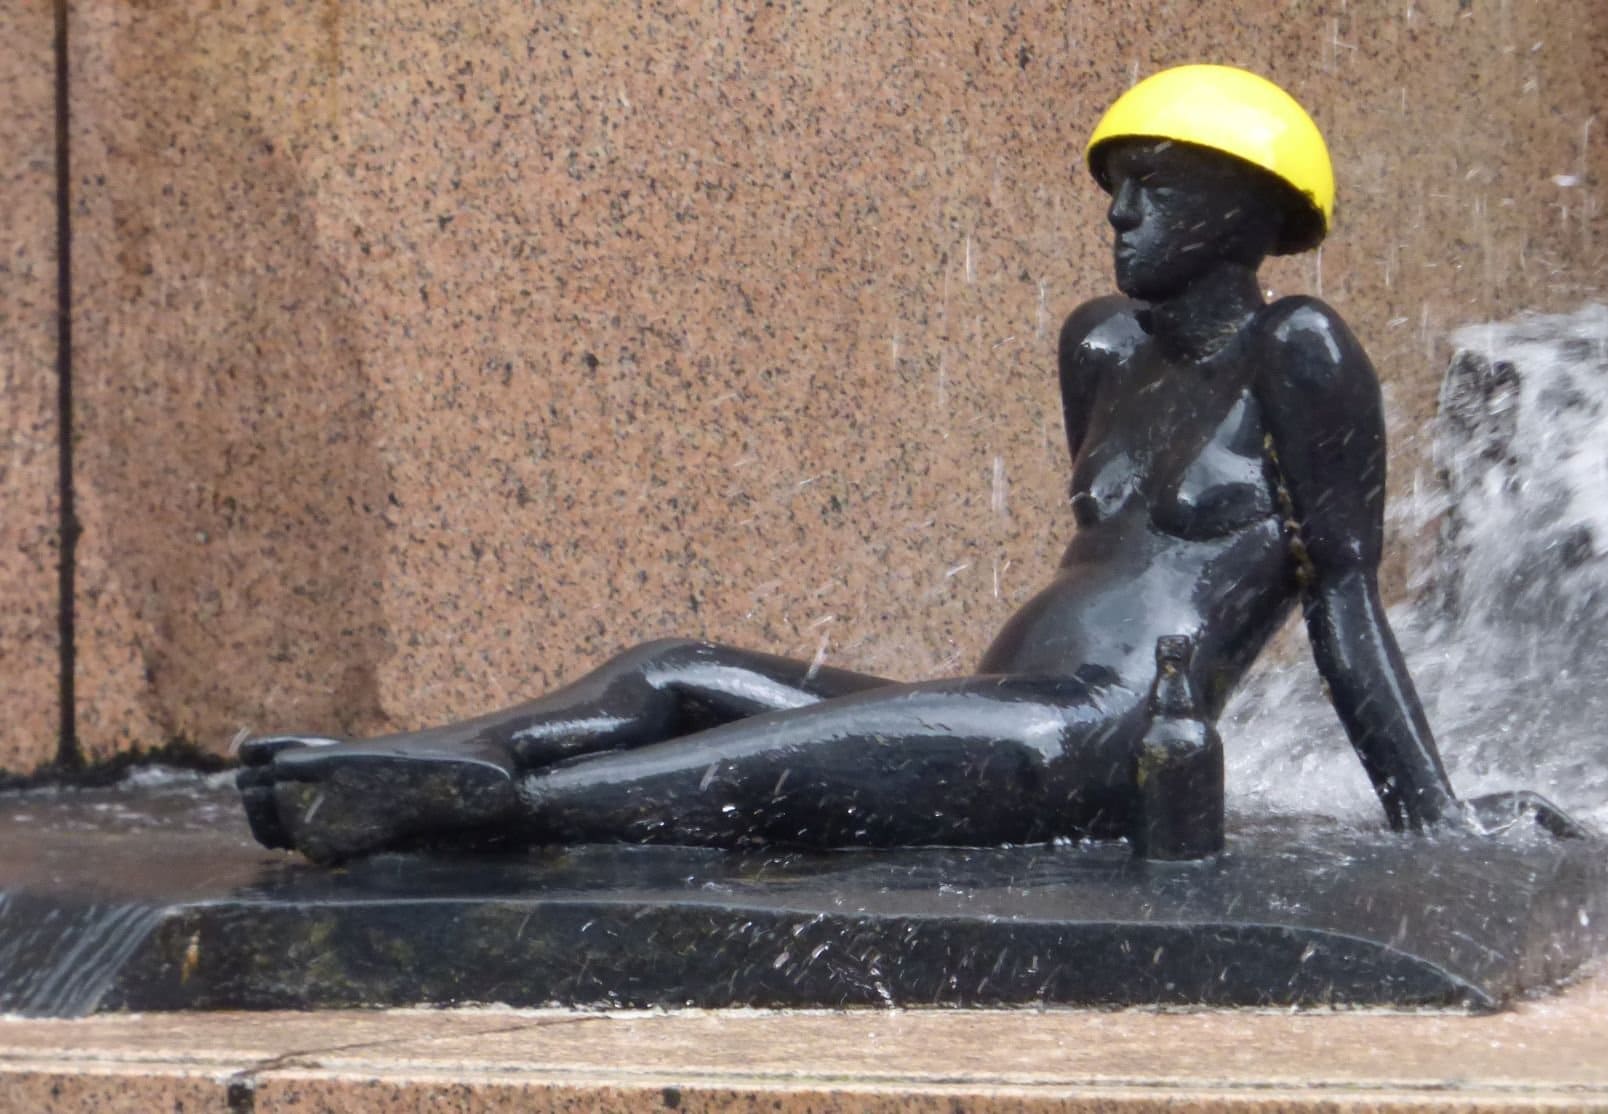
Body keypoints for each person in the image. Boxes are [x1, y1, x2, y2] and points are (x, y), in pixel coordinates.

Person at [239, 65, 1513, 865]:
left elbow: (1345, 601)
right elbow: (1107, 555)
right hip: (994, 700)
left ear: (1249, 210)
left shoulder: (1301, 350)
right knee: (673, 665)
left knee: (743, 770)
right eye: (1117, 186)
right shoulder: (1102, 346)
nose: (1120, 213)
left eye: (1157, 187)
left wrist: (1434, 821)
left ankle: (467, 811)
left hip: (1093, 741)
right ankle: (416, 759)